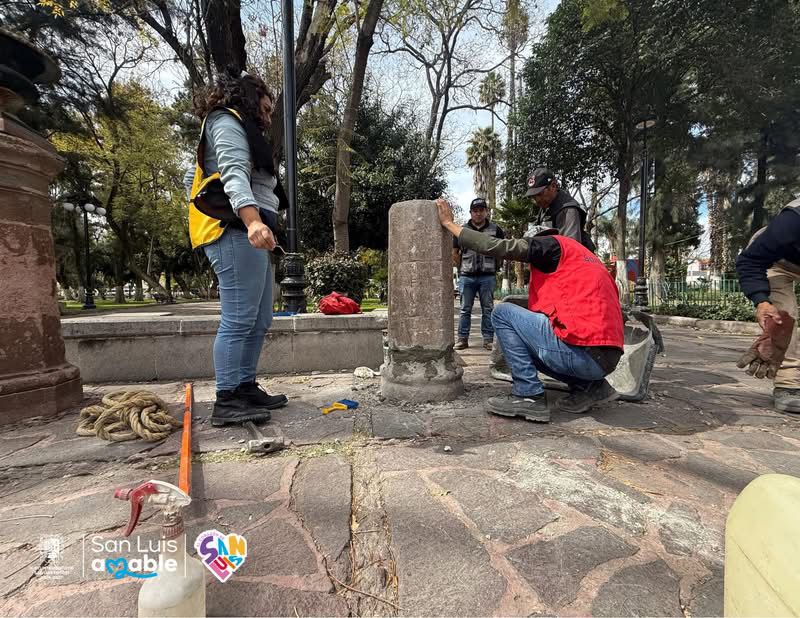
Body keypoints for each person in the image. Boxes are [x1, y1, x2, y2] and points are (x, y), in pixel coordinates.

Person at [437, 198, 623, 422]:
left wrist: (450, 224)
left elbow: (498, 247)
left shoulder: (549, 245)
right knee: (523, 339)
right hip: (606, 359)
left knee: (501, 313)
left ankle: (528, 395)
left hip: (585, 354)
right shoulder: (583, 258)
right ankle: (592, 387)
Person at [188, 67, 288, 426]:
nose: (269, 113)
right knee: (238, 319)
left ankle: (244, 385)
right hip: (234, 230)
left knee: (260, 318)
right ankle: (226, 398)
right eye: (266, 105)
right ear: (251, 96)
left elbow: (193, 175)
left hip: (250, 229)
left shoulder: (241, 128)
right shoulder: (226, 121)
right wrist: (253, 221)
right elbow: (231, 172)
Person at [735, 197, 800, 413]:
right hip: (776, 261)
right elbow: (751, 261)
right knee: (783, 316)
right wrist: (762, 301)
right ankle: (788, 385)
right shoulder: (793, 220)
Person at [453, 197, 505, 351]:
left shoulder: (496, 230)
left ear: (486, 211)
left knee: (488, 308)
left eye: (481, 210)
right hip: (467, 275)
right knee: (464, 309)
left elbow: (502, 250)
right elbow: (454, 252)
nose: (478, 213)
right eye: (475, 211)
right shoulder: (462, 230)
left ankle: (488, 340)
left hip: (487, 276)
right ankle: (462, 339)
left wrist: (496, 265)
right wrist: (461, 266)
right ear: (470, 212)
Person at [526, 167, 596, 252]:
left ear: (553, 186)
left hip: (576, 261)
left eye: (540, 194)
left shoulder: (568, 209)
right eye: (533, 196)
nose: (536, 200)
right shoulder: (546, 205)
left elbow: (571, 249)